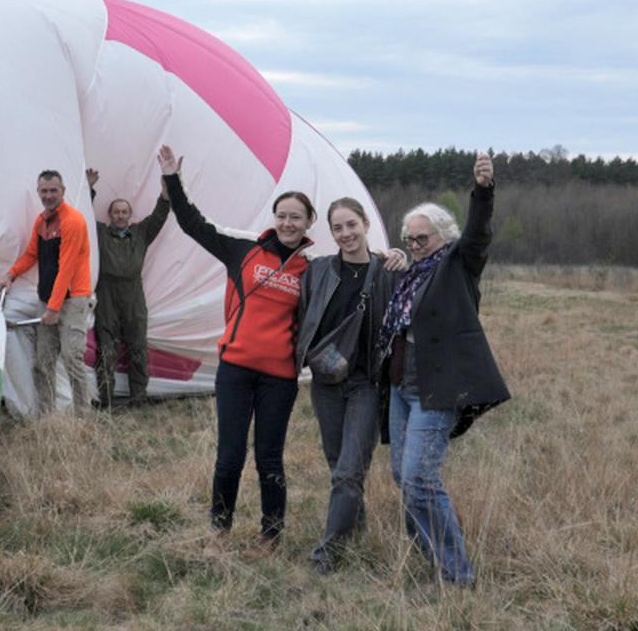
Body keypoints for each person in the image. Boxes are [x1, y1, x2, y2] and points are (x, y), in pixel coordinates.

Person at [159, 144, 313, 542]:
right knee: (229, 456)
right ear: (273, 218)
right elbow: (194, 224)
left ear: (309, 221)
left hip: (279, 378)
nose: (287, 223)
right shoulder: (244, 249)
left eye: (296, 217)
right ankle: (219, 530)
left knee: (269, 459)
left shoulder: (314, 271)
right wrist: (172, 179)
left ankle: (271, 535)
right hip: (236, 370)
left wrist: (394, 254)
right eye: (282, 216)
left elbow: (355, 271)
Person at [378, 153, 510, 586]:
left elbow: (478, 234)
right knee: (402, 473)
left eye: (422, 238)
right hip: (401, 386)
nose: (415, 245)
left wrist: (483, 191)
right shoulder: (411, 274)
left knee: (419, 477)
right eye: (409, 238)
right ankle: (427, 550)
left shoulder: (458, 263)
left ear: (444, 236)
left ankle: (457, 574)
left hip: (436, 389)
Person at [295, 197, 399, 573]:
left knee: (349, 471)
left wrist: (399, 256)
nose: (345, 234)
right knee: (338, 465)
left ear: (366, 223)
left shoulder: (388, 270)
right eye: (337, 228)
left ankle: (327, 552)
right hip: (325, 382)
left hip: (366, 384)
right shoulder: (319, 270)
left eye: (351, 225)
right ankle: (356, 530)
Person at [0, 169, 94, 414]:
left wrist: (53, 308)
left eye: (53, 191)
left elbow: (67, 268)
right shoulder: (42, 221)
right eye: (44, 191)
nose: (48, 196)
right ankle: (47, 416)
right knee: (43, 362)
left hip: (73, 299)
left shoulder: (73, 221)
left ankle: (83, 417)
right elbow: (31, 254)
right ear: (38, 192)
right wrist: (10, 275)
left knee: (72, 359)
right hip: (47, 299)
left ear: (63, 191)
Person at [86, 167, 171, 409]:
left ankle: (138, 399)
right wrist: (89, 188)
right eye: (116, 212)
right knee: (106, 350)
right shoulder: (100, 233)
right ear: (110, 215)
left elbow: (158, 217)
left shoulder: (140, 232)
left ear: (130, 215)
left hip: (133, 296)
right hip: (107, 295)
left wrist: (165, 194)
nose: (120, 216)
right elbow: (83, 217)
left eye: (124, 212)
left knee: (138, 348)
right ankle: (106, 400)